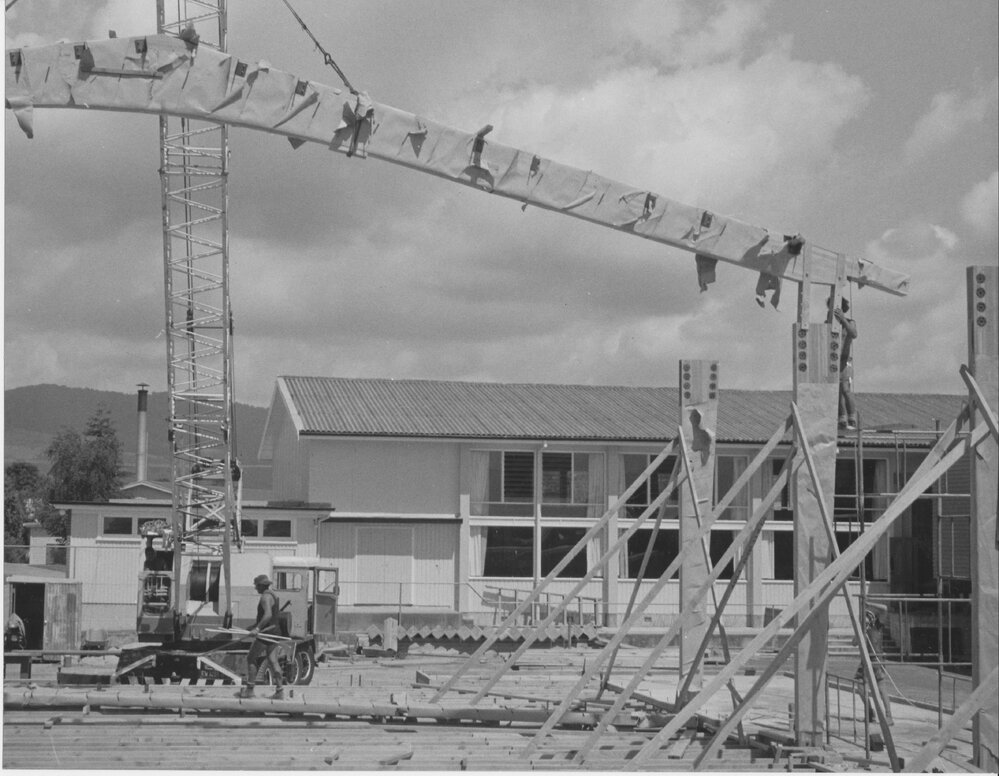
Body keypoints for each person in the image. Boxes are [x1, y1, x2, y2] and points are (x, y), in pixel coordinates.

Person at [238, 574, 285, 699]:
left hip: (266, 633)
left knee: (251, 658)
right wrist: (253, 626)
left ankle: (249, 690)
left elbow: (268, 615)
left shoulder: (265, 597)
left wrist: (258, 628)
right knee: (273, 660)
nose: (255, 589)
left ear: (260, 585)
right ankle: (280, 691)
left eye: (256, 586)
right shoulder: (273, 595)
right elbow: (270, 617)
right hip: (275, 632)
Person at [854, 604, 893, 725]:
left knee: (881, 688)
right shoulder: (863, 630)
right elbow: (854, 643)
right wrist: (860, 630)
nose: (864, 620)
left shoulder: (877, 627)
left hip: (876, 660)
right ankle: (870, 713)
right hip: (865, 662)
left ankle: (889, 716)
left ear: (871, 619)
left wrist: (868, 603)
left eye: (865, 618)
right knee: (860, 687)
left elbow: (884, 609)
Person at [832, 298, 858, 431]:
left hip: (845, 360)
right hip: (834, 361)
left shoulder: (849, 322)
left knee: (845, 388)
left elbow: (853, 334)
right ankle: (842, 418)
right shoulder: (830, 324)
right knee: (836, 390)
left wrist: (843, 320)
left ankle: (852, 418)